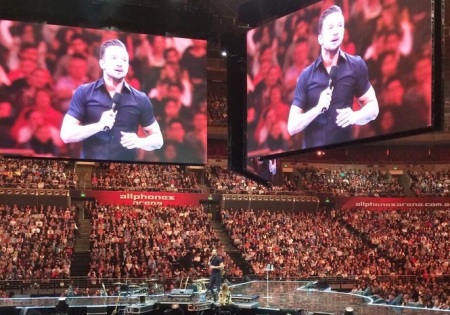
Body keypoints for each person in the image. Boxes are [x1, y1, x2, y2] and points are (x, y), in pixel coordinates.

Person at [287, 5, 379, 149]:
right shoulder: (306, 75)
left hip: (344, 156)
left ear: (343, 32)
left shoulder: (356, 65)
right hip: (311, 157)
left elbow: (373, 108)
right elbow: (292, 127)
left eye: (340, 26)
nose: (335, 31)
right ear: (320, 39)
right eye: (330, 27)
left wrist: (355, 116)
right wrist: (317, 109)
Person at [60, 39, 163, 161]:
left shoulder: (140, 99)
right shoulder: (84, 92)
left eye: (124, 60)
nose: (120, 63)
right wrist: (98, 126)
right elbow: (66, 135)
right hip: (91, 169)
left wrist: (139, 142)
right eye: (114, 58)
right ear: (102, 63)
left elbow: (158, 140)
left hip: (125, 172)